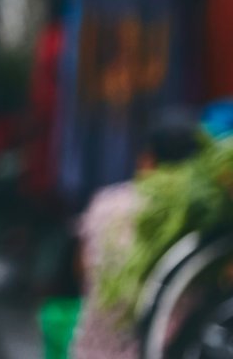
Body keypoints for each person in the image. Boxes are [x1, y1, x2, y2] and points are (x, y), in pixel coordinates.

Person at [70, 111, 204, 359]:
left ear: (147, 159)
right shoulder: (197, 218)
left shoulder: (105, 203)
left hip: (93, 351)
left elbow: (82, 269)